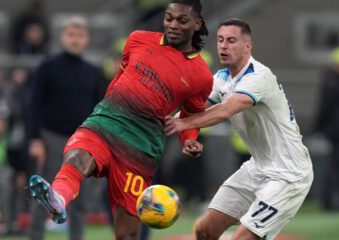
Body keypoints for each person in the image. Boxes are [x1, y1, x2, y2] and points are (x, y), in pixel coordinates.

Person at [28, 1, 213, 239]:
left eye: (182, 20)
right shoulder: (138, 39)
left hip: (141, 146)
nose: (173, 24)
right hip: (106, 122)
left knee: (127, 233)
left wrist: (188, 138)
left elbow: (192, 114)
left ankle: (61, 198)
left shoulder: (201, 75)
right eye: (169, 18)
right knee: (76, 158)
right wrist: (107, 110)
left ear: (197, 24)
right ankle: (59, 199)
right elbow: (120, 77)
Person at [165, 18, 313, 240]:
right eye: (221, 40)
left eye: (231, 40)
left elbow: (226, 110)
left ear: (247, 46)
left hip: (288, 174)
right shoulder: (222, 78)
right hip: (257, 167)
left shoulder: (259, 76)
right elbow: (192, 111)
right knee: (204, 231)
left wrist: (183, 124)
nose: (224, 46)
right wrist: (172, 127)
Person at [27, 16, 107, 240]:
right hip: (51, 139)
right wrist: (35, 139)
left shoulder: (93, 72)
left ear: (86, 39)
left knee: (78, 199)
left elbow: (99, 109)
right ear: (63, 37)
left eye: (80, 35)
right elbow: (33, 105)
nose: (75, 39)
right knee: (44, 196)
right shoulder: (47, 67)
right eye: (71, 34)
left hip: (83, 142)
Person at [314, 46, 339, 211]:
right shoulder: (335, 83)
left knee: (338, 166)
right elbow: (326, 108)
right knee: (337, 166)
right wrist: (320, 127)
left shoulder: (335, 82)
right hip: (337, 132)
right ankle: (332, 201)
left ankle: (334, 200)